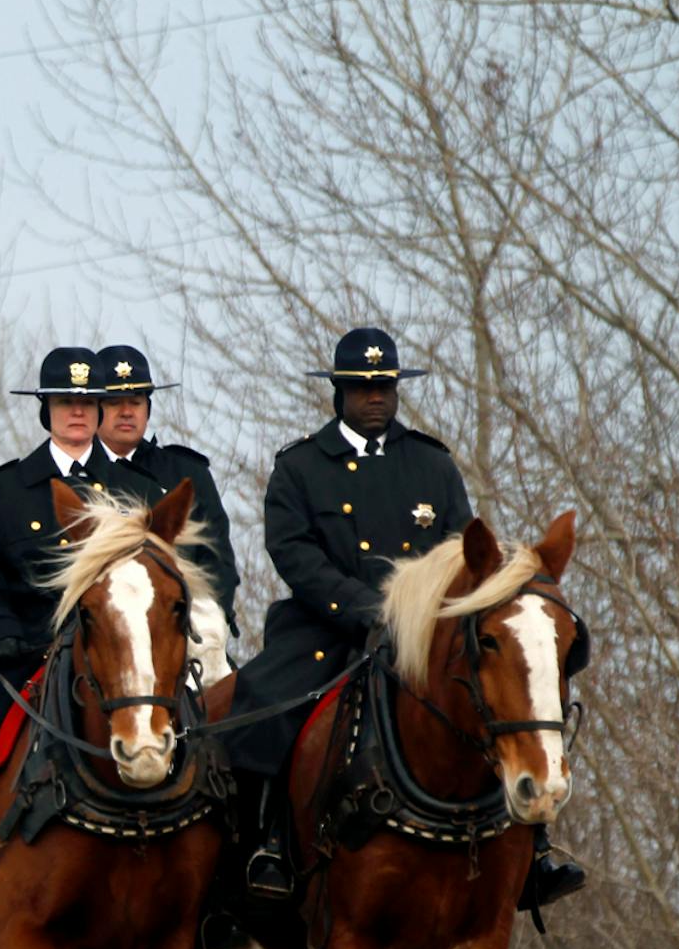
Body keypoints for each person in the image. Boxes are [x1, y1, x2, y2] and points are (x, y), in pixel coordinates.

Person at [224, 328, 584, 911]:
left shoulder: (432, 464)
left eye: (385, 386)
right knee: (262, 710)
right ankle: (268, 843)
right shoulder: (301, 467)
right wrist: (366, 609)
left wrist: (422, 618)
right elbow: (292, 552)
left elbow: (464, 553)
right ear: (339, 391)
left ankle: (534, 849)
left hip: (423, 634)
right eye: (364, 387)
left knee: (501, 699)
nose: (376, 398)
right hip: (327, 626)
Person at [0, 346, 163, 914]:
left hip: (109, 655)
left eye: (87, 403)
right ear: (45, 410)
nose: (77, 413)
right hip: (15, 652)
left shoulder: (136, 490)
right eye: (65, 402)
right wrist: (1, 635)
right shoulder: (7, 489)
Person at [95, 343, 241, 643]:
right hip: (103, 632)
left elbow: (217, 559)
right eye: (113, 402)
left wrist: (208, 619)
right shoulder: (77, 476)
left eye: (135, 402)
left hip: (183, 629)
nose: (126, 412)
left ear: (148, 408)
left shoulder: (186, 472)